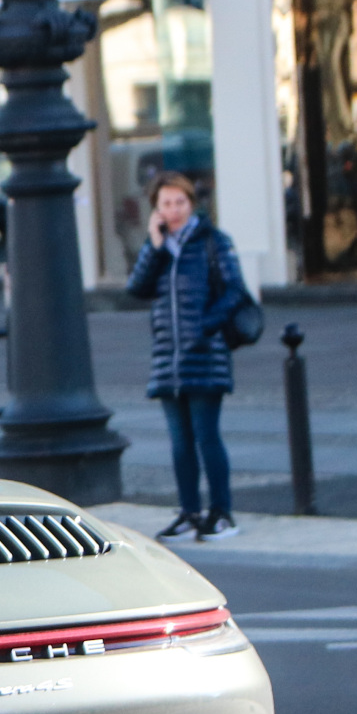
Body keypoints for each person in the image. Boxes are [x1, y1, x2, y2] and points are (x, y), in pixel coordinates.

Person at [124, 172, 246, 541]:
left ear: (192, 203)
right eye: (166, 204)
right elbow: (137, 288)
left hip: (205, 355)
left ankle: (222, 512)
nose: (174, 210)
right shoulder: (159, 247)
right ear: (156, 210)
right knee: (180, 441)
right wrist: (156, 244)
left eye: (180, 202)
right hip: (168, 360)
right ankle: (189, 511)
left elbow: (234, 291)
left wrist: (204, 326)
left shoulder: (213, 241)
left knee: (207, 435)